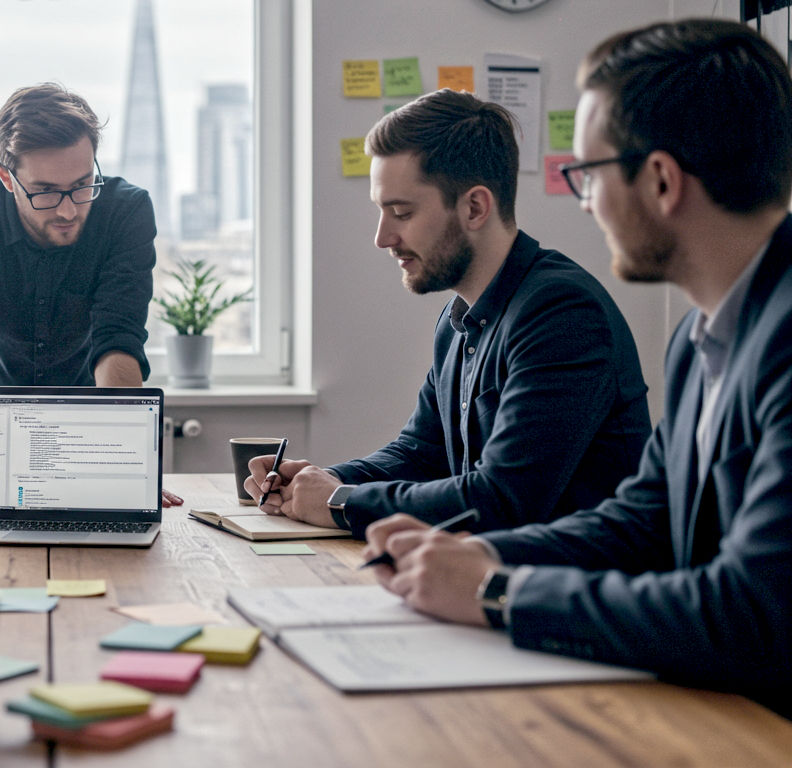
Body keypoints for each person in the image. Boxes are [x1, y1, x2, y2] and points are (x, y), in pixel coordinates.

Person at [364, 18, 792, 715]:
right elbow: (639, 522)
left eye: (587, 174)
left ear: (660, 180)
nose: (584, 201)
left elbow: (751, 614)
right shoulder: (696, 341)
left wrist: (498, 592)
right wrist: (488, 559)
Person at [246, 89, 650, 536]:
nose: (382, 237)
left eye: (401, 212)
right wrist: (328, 480)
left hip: (563, 595)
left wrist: (340, 502)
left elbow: (503, 500)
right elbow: (421, 452)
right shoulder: (459, 316)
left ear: (474, 207)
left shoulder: (563, 314)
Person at [0, 83, 181, 511]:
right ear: (6, 177)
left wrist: (129, 464)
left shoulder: (126, 211)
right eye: (46, 192)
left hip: (80, 415)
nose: (68, 210)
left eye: (82, 185)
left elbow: (119, 340)